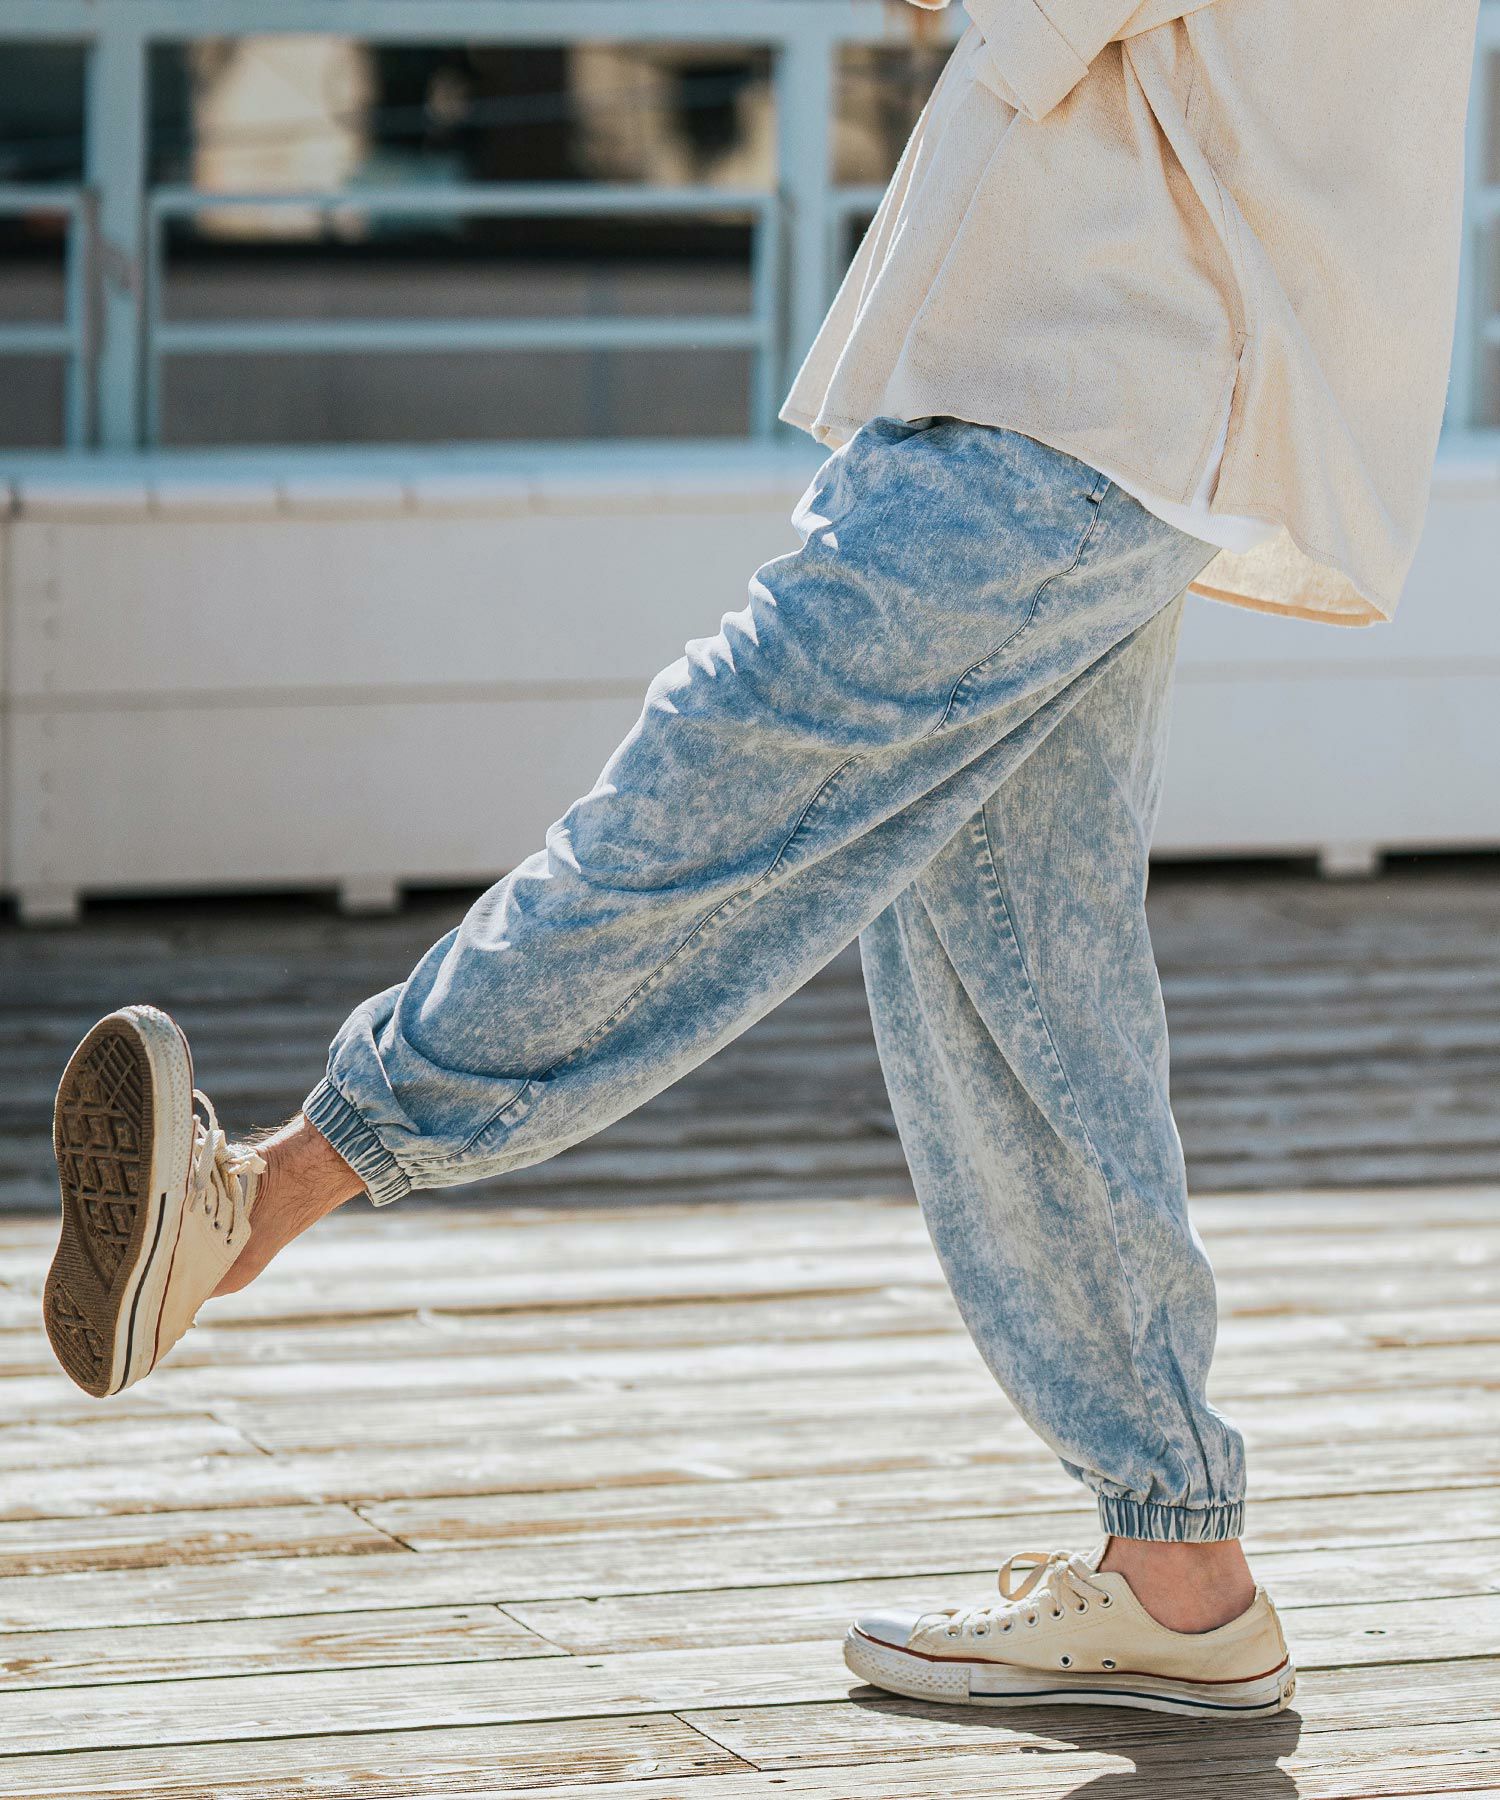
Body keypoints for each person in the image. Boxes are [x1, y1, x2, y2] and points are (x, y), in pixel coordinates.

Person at [45, 0, 1478, 1722]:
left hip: (1092, 373)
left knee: (715, 800)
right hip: (1116, 380)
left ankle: (263, 1197)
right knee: (1020, 981)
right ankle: (1178, 1566)